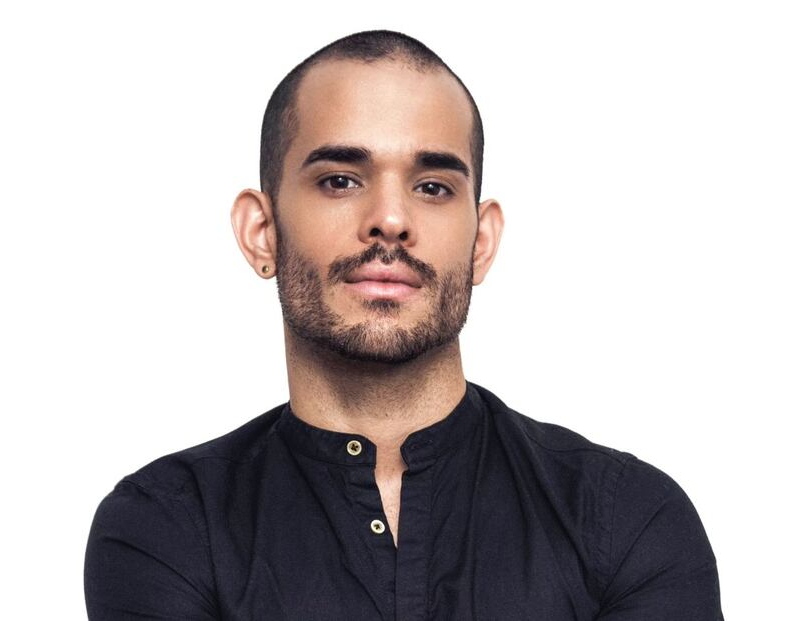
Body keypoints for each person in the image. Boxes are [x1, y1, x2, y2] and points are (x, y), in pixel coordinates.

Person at [84, 29, 723, 620]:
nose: (390, 219)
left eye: (433, 187)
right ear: (262, 232)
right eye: (340, 180)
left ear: (481, 242)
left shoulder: (628, 519)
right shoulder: (166, 527)